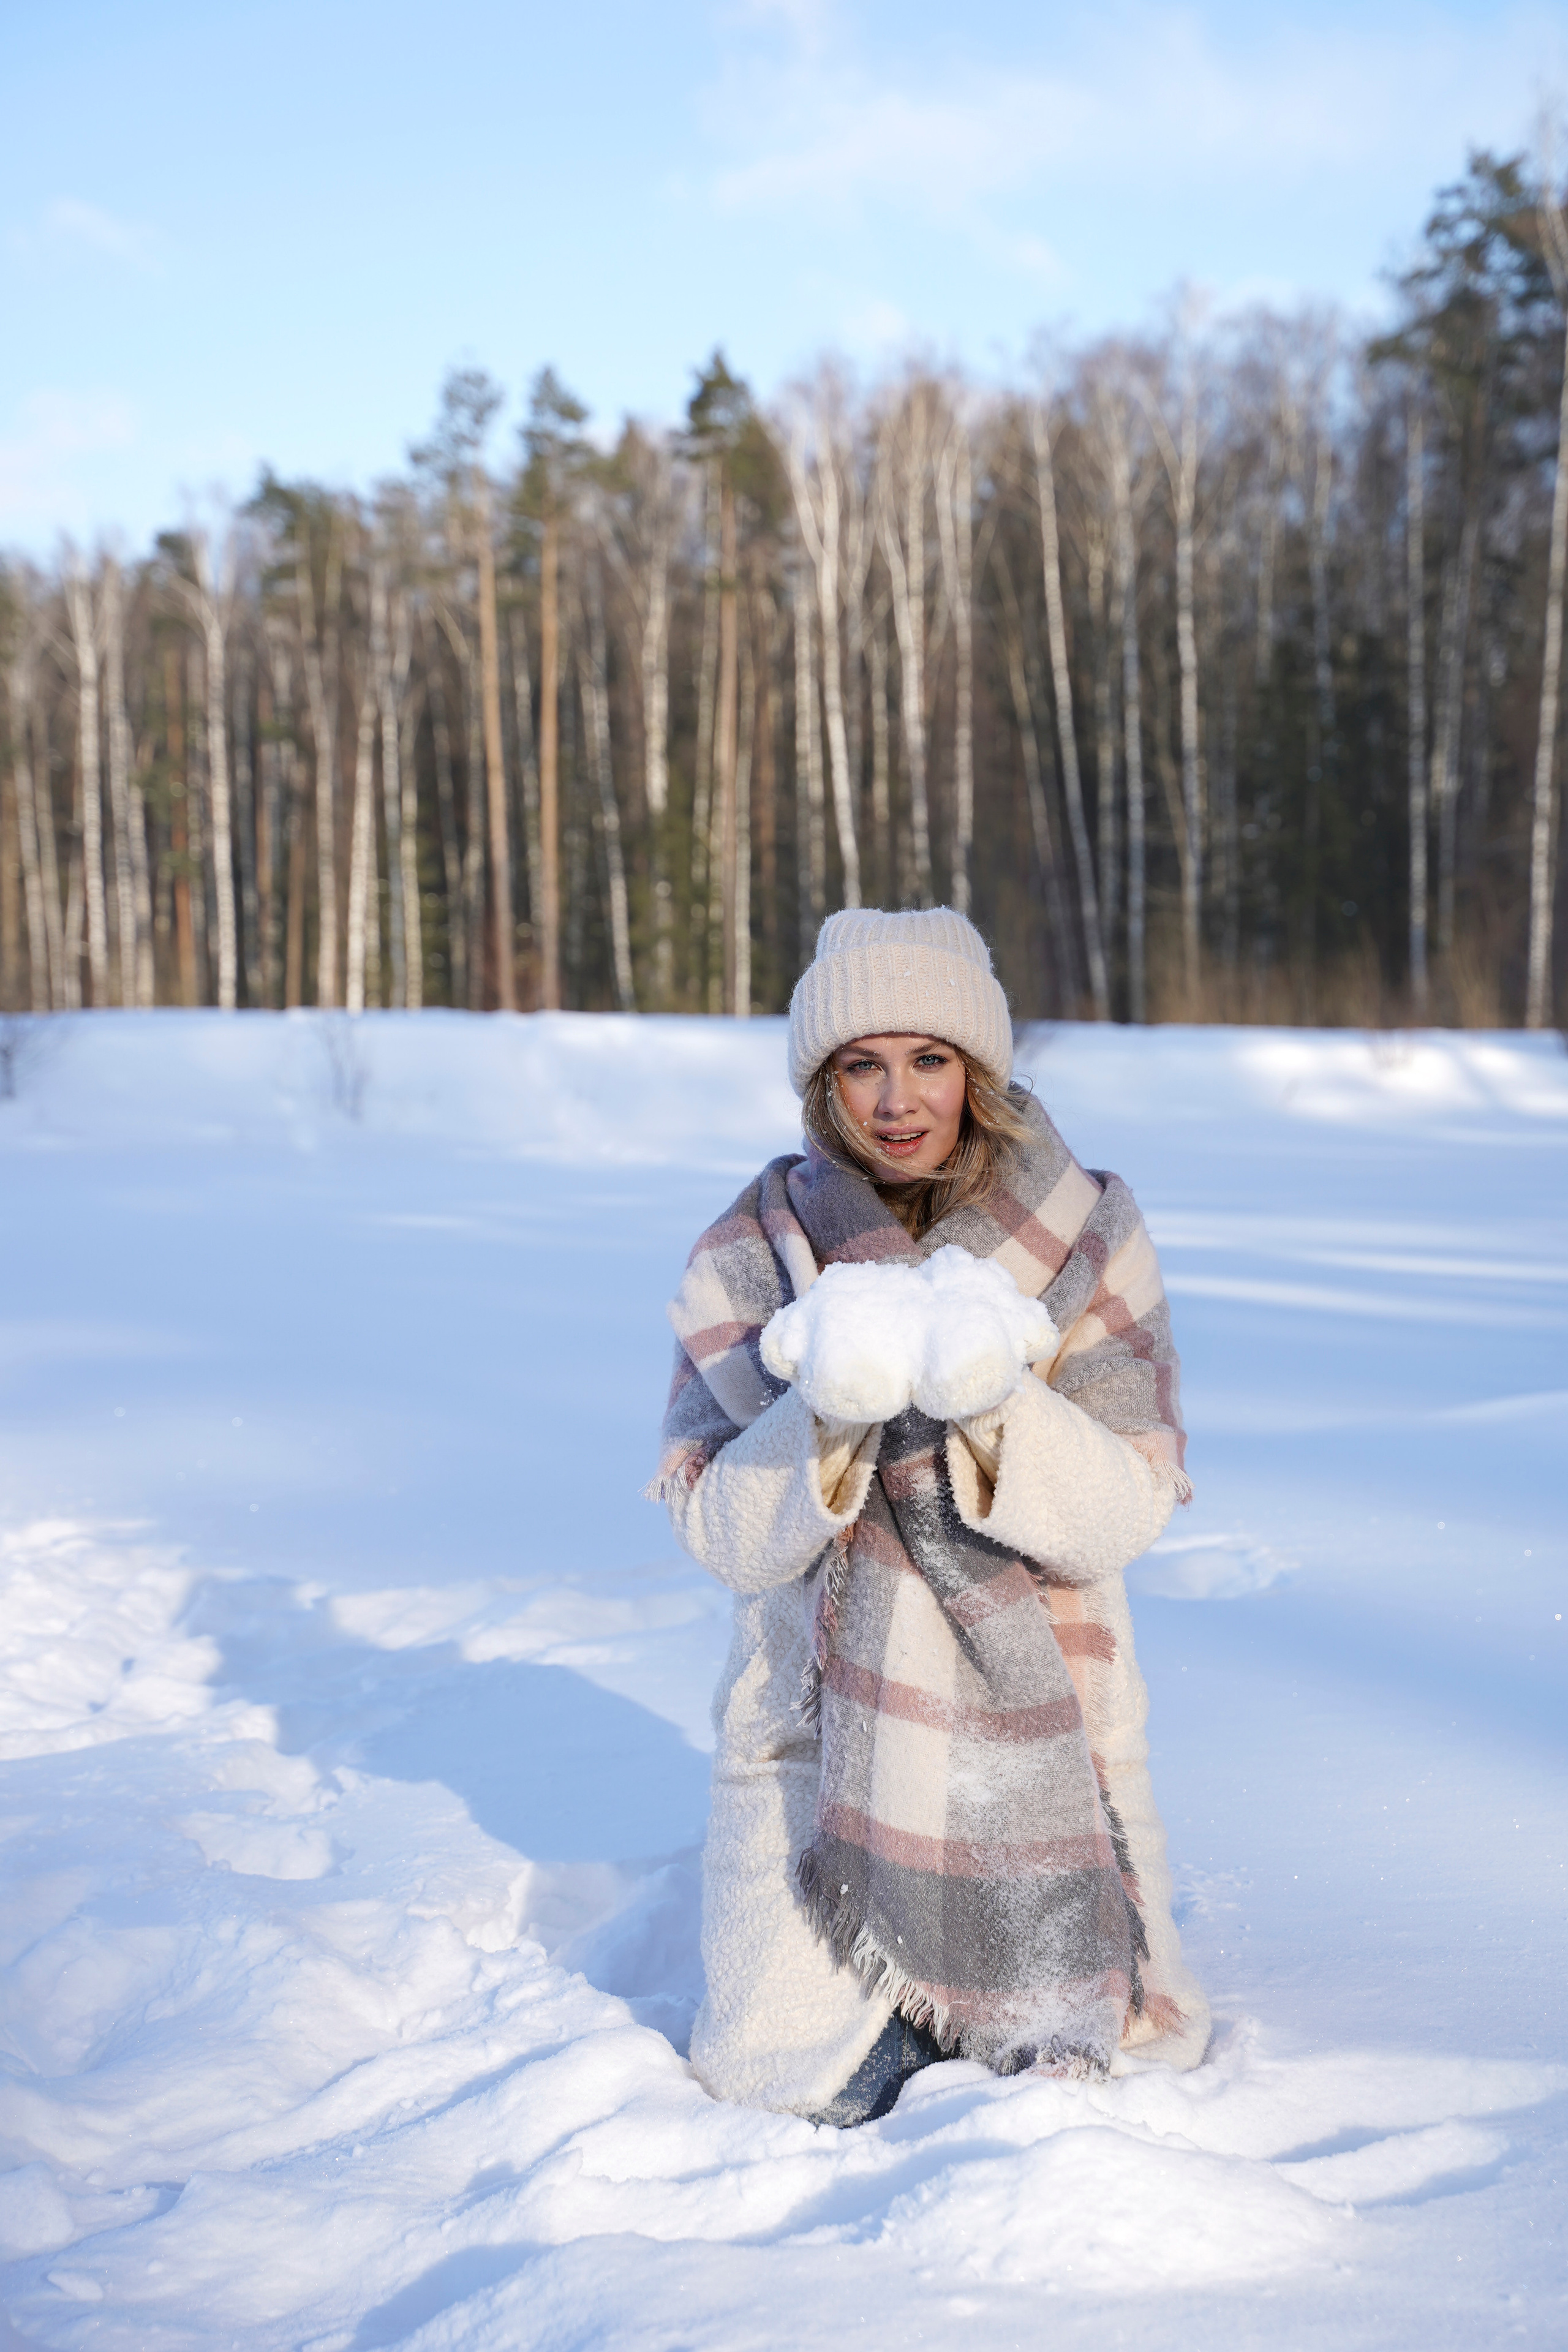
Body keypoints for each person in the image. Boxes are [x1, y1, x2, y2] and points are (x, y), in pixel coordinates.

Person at [653, 908, 1209, 2125]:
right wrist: (828, 1409)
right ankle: (894, 2023)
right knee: (780, 2089)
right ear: (820, 1082)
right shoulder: (748, 1255)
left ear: (979, 1072)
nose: (894, 1100)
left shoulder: (1086, 1234)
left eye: (928, 1060)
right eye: (860, 1063)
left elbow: (1118, 1513)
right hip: (818, 1737)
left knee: (1076, 2087)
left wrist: (990, 1395)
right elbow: (722, 1536)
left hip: (1040, 1729)